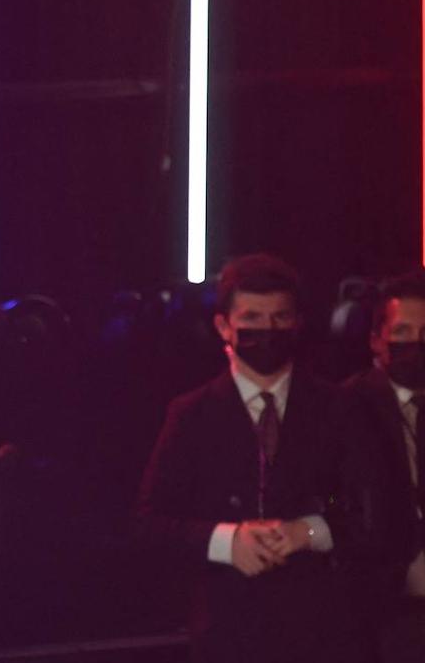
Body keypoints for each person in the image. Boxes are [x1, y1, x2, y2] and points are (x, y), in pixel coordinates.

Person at [136, 254, 372, 662]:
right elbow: (152, 520)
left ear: (297, 323)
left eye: (280, 318)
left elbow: (354, 501)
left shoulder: (337, 407)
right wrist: (227, 541)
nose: (268, 331)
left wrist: (311, 529)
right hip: (227, 631)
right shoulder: (191, 414)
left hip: (323, 632)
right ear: (223, 326)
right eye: (252, 318)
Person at [343, 277, 425, 663]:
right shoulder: (349, 406)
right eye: (402, 331)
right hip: (394, 616)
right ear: (376, 340)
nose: (416, 343)